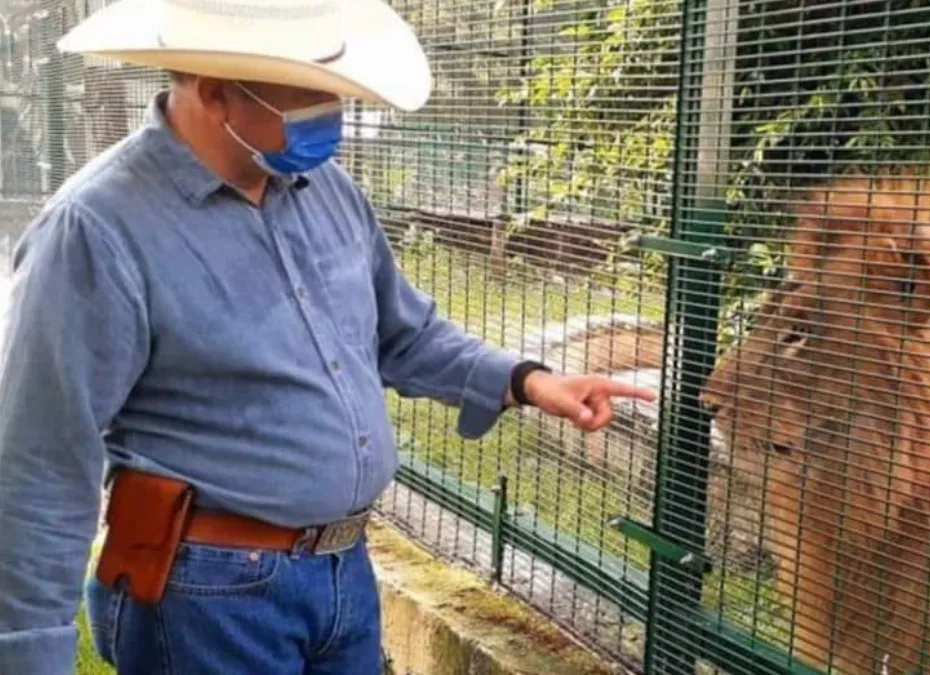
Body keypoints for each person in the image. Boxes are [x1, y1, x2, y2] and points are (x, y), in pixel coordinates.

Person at [0, 1, 656, 673]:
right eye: (308, 95)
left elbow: (405, 334)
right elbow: (41, 463)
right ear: (216, 90)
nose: (331, 111)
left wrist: (526, 379)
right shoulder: (97, 229)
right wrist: (29, 654)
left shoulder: (326, 190)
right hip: (205, 594)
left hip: (342, 571)